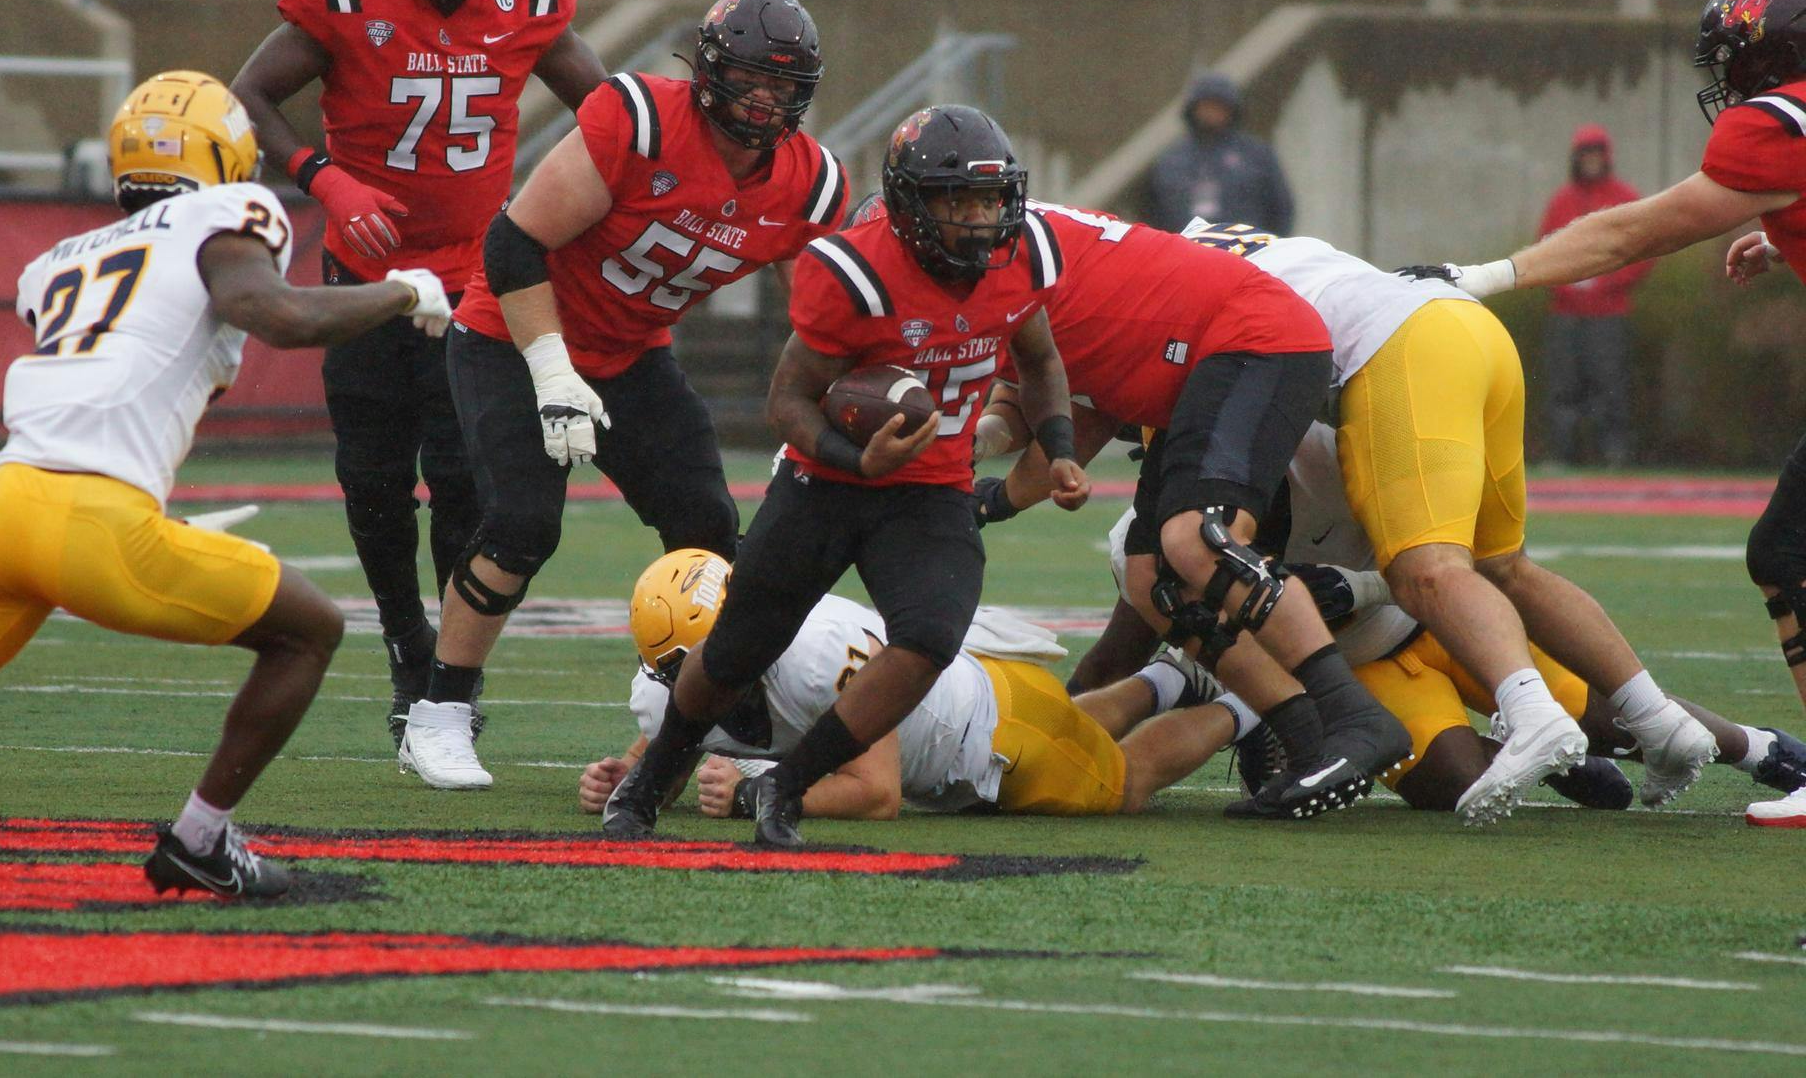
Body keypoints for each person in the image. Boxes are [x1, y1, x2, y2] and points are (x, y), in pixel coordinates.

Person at [0, 71, 453, 899]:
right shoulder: (227, 215)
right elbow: (281, 317)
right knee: (309, 630)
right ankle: (200, 840)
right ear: (228, 156)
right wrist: (405, 292)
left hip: (7, 513)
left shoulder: (60, 260)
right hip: (94, 520)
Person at [400, 0, 849, 790]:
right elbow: (512, 244)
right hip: (511, 334)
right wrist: (550, 371)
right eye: (748, 77)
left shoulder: (810, 185)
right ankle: (439, 711)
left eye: (781, 84)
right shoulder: (638, 119)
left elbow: (826, 311)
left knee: (708, 524)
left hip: (632, 352)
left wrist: (828, 406)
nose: (763, 98)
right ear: (708, 72)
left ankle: (709, 697)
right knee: (521, 524)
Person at [603, 107, 1088, 847]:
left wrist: (1058, 446)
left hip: (930, 490)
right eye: (956, 200)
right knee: (738, 648)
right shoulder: (853, 271)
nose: (979, 218)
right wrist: (858, 457)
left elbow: (1042, 362)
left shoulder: (1021, 258)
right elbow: (786, 400)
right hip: (826, 484)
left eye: (989, 199)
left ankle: (787, 788)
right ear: (909, 205)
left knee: (929, 637)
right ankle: (651, 775)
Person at [1135, 218, 1715, 824]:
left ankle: (1535, 717)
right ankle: (1661, 720)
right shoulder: (1231, 247)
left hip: (1396, 351)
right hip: (1464, 327)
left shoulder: (1169, 295)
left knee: (1425, 570)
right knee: (1505, 567)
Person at [230, 0, 606, 751]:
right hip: (368, 278)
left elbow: (611, 116)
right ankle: (405, 636)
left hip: (482, 279)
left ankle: (443, 677)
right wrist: (325, 180)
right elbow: (247, 95)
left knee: (465, 477)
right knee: (372, 476)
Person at [1422, 0, 1806, 828]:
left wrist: (1486, 275)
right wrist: (1784, 239)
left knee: (1786, 550)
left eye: (1734, 59)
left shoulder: (1773, 127)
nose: (1727, 80)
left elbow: (1634, 231)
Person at [971, 200, 1409, 819]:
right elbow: (1068, 408)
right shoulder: (1006, 255)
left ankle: (1355, 718)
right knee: (1154, 579)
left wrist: (995, 496)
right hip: (1206, 368)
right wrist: (989, 478)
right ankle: (1311, 740)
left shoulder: (1002, 267)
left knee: (1197, 541)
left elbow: (1054, 410)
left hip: (1259, 341)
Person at [1173, 422, 1806, 812]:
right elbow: (1190, 633)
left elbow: (1450, 558)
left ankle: (1762, 751)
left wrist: (1362, 586)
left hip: (1438, 620)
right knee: (1451, 782)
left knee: (1609, 713)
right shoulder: (1166, 532)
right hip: (1361, 671)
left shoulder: (1338, 447)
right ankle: (1554, 757)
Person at [580, 551, 1274, 822]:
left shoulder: (819, 654)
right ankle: (1172, 675)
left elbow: (877, 793)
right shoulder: (668, 688)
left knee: (1123, 781)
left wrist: (757, 791)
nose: (709, 676)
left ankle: (1252, 703)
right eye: (683, 670)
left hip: (997, 734)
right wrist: (631, 775)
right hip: (980, 702)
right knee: (1074, 720)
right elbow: (669, 744)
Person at [1536, 125, 1654, 465]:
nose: (1591, 161)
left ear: (1606, 157)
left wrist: (1605, 282)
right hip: (1566, 312)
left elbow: (1645, 250)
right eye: (1585, 155)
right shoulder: (1562, 201)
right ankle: (1562, 456)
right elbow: (1543, 249)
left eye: (1596, 154)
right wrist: (1566, 283)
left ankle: (1614, 455)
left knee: (1611, 386)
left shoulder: (1624, 198)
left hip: (1610, 312)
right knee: (1563, 386)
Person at [1139, 73, 1294, 234]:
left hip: (1245, 246)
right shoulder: (1171, 159)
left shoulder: (1255, 155)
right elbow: (1152, 209)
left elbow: (1280, 207)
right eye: (1206, 106)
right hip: (1188, 248)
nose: (1211, 113)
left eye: (1218, 106)